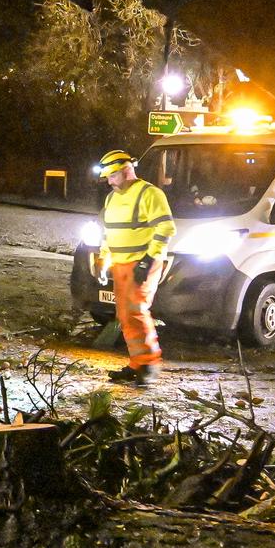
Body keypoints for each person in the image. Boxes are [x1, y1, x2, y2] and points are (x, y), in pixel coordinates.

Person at [95, 148, 172, 384]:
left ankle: (148, 365)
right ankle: (138, 363)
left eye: (112, 176)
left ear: (126, 170)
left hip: (141, 262)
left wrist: (148, 260)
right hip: (121, 264)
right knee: (125, 314)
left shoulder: (150, 193)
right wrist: (103, 258)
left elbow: (166, 228)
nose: (109, 181)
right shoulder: (112, 198)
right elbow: (109, 233)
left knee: (136, 311)